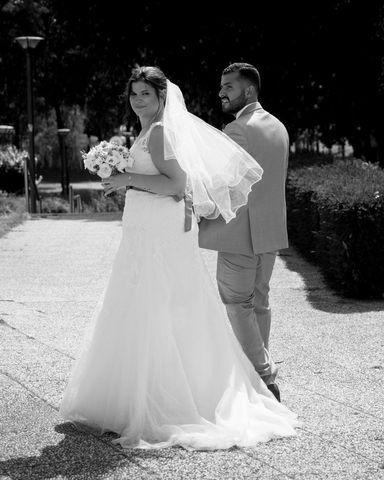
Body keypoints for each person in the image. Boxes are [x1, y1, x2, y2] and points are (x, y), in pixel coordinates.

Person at [59, 65, 299, 450]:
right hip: (150, 226)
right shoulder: (148, 131)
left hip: (158, 232)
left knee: (164, 303)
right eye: (134, 93)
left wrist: (126, 179)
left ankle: (174, 396)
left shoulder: (159, 132)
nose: (138, 100)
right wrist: (123, 178)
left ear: (161, 98)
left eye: (146, 94)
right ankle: (144, 392)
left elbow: (176, 184)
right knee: (150, 303)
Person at [198, 63, 289, 402]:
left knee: (238, 304)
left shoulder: (238, 130)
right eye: (221, 86)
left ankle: (265, 378)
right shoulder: (279, 127)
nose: (222, 92)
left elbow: (223, 185)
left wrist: (196, 206)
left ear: (248, 90)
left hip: (240, 234)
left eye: (229, 87)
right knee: (259, 303)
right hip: (270, 233)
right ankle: (255, 381)